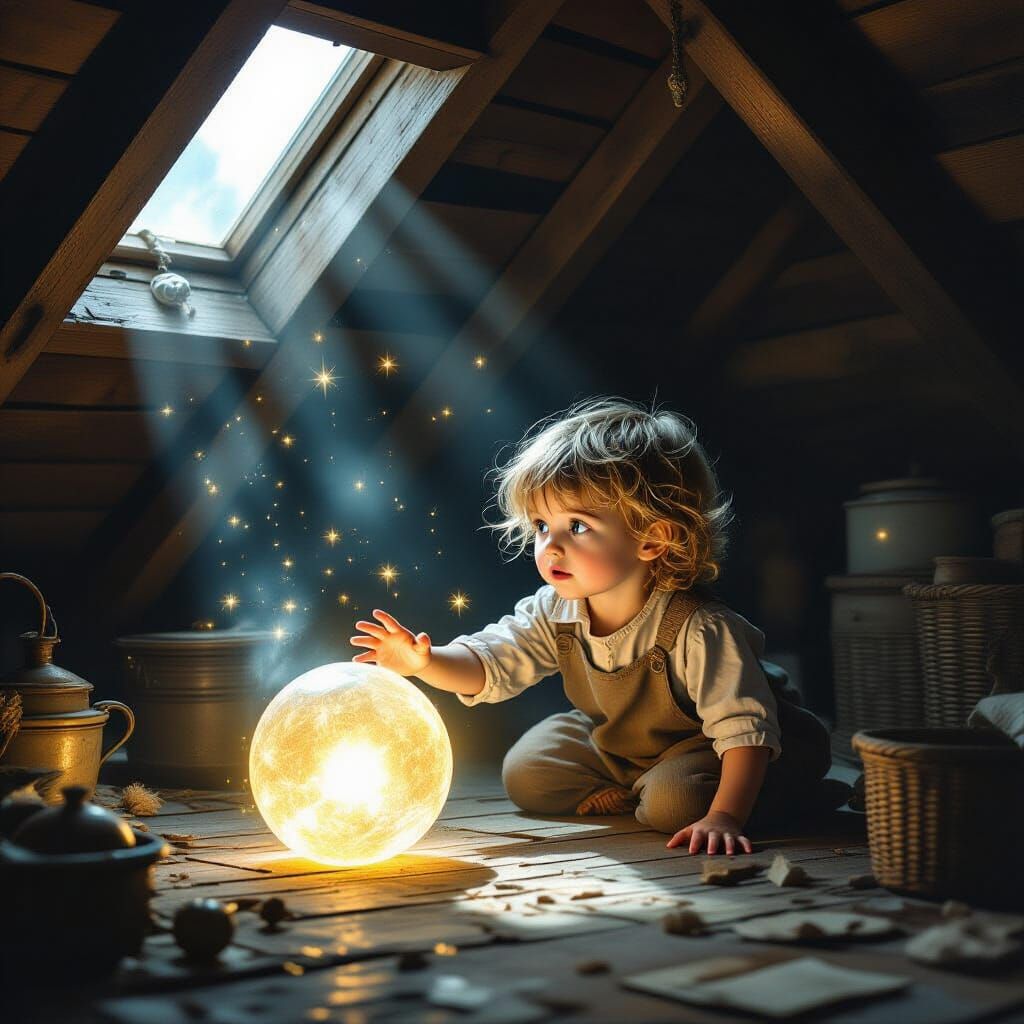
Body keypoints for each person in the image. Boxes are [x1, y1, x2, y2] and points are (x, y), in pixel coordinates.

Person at [350, 397, 838, 854]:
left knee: (679, 805)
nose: (551, 546)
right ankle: (641, 789)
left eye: (577, 527)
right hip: (625, 746)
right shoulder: (555, 609)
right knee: (528, 772)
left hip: (727, 748)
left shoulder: (701, 628)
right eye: (542, 526)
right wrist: (426, 661)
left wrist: (726, 817)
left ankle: (785, 796)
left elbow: (743, 732)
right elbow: (490, 663)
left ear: (652, 539)